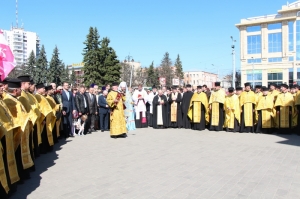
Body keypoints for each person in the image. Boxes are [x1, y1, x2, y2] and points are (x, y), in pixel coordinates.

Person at [3, 79, 32, 183]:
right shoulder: (9, 101)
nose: (21, 91)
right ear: (15, 90)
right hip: (16, 133)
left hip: (20, 132)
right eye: (19, 89)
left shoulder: (15, 99)